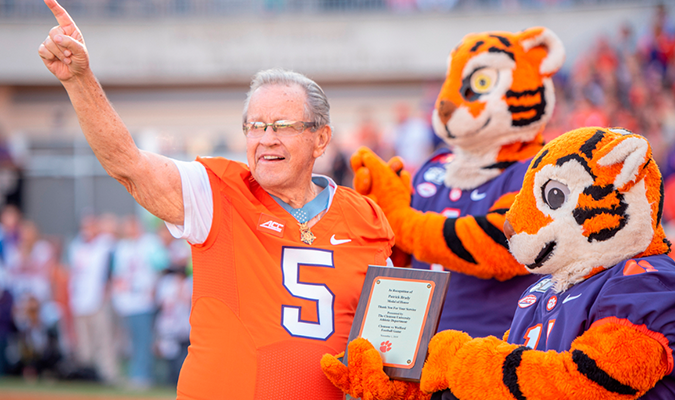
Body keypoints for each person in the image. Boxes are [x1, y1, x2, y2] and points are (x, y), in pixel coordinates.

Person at [38, 1, 394, 399]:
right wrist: (80, 80)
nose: (266, 139)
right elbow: (128, 164)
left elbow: (389, 337)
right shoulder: (217, 191)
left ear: (321, 139)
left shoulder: (365, 219)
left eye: (283, 126)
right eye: (255, 126)